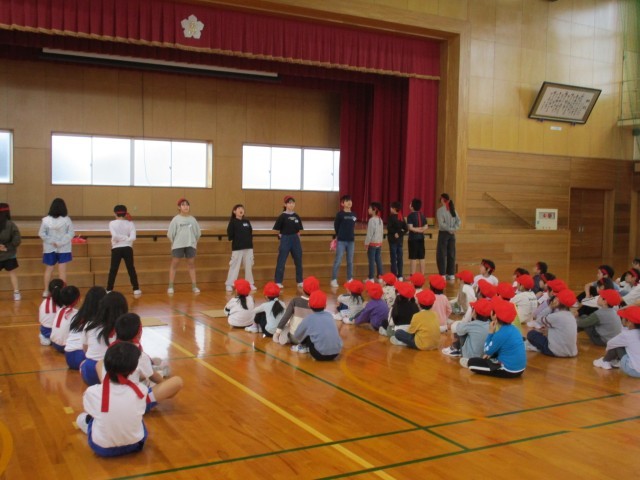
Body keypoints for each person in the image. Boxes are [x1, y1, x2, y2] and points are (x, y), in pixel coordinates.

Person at [76, 342, 150, 457]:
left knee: (83, 418)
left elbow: (91, 412)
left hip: (102, 448)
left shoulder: (93, 392)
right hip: (136, 445)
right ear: (133, 370)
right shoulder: (141, 390)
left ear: (106, 366)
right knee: (136, 419)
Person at [101, 313, 183, 404]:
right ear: (139, 333)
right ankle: (157, 374)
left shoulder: (110, 349)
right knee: (177, 381)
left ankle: (151, 374)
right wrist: (165, 386)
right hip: (135, 401)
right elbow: (155, 378)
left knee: (100, 363)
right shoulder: (139, 355)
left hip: (111, 397)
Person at [464, 299, 526, 378]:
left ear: (495, 315)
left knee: (472, 363)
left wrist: (490, 333)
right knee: (490, 354)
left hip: (508, 371)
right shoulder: (514, 329)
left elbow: (486, 350)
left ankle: (472, 363)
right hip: (520, 369)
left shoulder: (501, 333)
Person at [81, 292, 129, 386]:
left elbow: (85, 349)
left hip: (91, 371)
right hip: (114, 372)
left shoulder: (89, 325)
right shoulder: (124, 328)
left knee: (83, 363)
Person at [526, 289, 578, 357]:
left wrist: (550, 307)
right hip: (572, 352)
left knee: (531, 334)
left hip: (555, 351)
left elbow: (538, 319)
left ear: (557, 301)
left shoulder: (556, 316)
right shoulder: (571, 316)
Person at [292, 290, 343, 360]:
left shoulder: (309, 318)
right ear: (325, 306)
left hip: (318, 355)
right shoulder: (330, 316)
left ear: (309, 305)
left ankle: (302, 347)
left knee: (308, 333)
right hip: (336, 353)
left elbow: (297, 335)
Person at [65, 286, 107, 370]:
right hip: (82, 355)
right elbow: (86, 347)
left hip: (68, 356)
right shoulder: (98, 319)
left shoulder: (78, 314)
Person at [39, 198, 74, 297]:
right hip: (64, 248)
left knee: (49, 269)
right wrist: (60, 242)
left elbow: (41, 233)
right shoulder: (67, 220)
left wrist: (51, 241)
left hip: (49, 247)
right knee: (62, 270)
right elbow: (71, 233)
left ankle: (46, 291)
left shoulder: (46, 220)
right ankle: (62, 291)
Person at [593, 306, 640, 377]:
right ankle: (614, 361)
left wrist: (607, 352)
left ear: (629, 322)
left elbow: (610, 343)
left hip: (633, 370)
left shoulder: (627, 335)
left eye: (623, 318)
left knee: (617, 346)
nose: (621, 319)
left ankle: (604, 361)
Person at [167, 198, 201, 294]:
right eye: (183, 205)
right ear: (179, 207)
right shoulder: (176, 219)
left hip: (190, 244)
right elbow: (170, 234)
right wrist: (176, 243)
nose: (185, 207)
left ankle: (194, 286)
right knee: (174, 264)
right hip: (178, 245)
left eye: (187, 205)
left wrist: (193, 242)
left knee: (191, 264)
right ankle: (170, 286)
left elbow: (197, 233)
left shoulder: (192, 219)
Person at [273, 276, 319, 345]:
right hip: (311, 339)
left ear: (303, 289)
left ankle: (286, 337)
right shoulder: (318, 303)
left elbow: (286, 317)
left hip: (295, 338)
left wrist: (277, 333)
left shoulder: (295, 301)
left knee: (287, 326)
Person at [107, 205, 141, 295]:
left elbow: (115, 236)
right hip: (128, 248)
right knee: (131, 269)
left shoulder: (112, 223)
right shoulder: (130, 223)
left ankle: (109, 289)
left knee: (113, 269)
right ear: (125, 213)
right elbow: (132, 237)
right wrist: (126, 238)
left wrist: (120, 239)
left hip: (116, 248)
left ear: (115, 213)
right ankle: (136, 289)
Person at [273, 195, 304, 288]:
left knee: (298, 260)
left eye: (293, 203)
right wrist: (280, 236)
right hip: (285, 239)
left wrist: (297, 235)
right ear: (285, 204)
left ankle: (300, 281)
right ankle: (278, 281)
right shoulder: (282, 216)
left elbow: (299, 229)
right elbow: (276, 229)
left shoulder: (296, 216)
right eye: (289, 203)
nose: (291, 205)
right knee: (281, 261)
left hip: (295, 239)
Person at [225, 204, 255, 292]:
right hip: (237, 248)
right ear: (234, 211)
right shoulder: (232, 222)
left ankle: (250, 283)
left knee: (248, 266)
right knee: (234, 266)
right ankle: (229, 284)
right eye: (238, 208)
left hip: (248, 247)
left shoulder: (247, 221)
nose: (241, 210)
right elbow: (230, 234)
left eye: (242, 208)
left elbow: (250, 232)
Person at [330, 195, 357, 287]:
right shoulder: (340, 214)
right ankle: (334, 279)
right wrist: (339, 234)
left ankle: (349, 278)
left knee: (350, 261)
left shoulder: (354, 215)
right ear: (342, 203)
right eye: (346, 201)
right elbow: (336, 226)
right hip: (341, 241)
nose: (349, 202)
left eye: (350, 200)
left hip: (351, 241)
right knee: (338, 260)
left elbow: (353, 225)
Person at [436, 193, 461, 281]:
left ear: (442, 200)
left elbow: (441, 224)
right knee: (451, 254)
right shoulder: (453, 209)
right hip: (452, 234)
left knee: (442, 254)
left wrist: (450, 229)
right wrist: (454, 229)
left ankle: (443, 274)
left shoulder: (440, 210)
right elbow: (459, 221)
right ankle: (451, 274)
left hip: (444, 234)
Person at [49, 285, 81, 353]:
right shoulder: (76, 313)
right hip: (65, 345)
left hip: (54, 344)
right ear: (78, 299)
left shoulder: (60, 310)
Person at [0, 203, 22, 300]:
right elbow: (17, 240)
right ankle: (16, 293)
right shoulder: (11, 224)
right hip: (10, 254)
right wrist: (7, 247)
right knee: (12, 273)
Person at [38, 279, 65, 346]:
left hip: (45, 330)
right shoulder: (63, 303)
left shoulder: (44, 302)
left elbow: (41, 319)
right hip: (58, 331)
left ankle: (45, 337)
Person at [406, 198, 428, 275]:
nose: (409, 205)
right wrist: (421, 230)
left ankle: (412, 275)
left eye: (410, 203)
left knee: (413, 257)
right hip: (421, 238)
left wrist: (417, 230)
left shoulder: (410, 216)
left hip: (413, 239)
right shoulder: (422, 215)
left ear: (412, 207)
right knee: (422, 257)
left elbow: (410, 228)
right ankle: (422, 274)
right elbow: (426, 226)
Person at [387, 201, 407, 281]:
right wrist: (399, 233)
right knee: (399, 258)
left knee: (393, 258)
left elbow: (389, 228)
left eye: (391, 207)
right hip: (399, 241)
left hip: (393, 241)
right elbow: (405, 229)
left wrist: (396, 233)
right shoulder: (401, 217)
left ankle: (394, 275)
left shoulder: (391, 217)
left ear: (394, 209)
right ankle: (400, 275)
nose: (390, 209)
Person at [364, 201, 384, 282]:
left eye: (369, 208)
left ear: (374, 209)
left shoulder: (372, 220)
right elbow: (381, 232)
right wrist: (380, 242)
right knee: (378, 260)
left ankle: (371, 278)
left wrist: (366, 243)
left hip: (372, 244)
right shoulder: (380, 219)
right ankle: (380, 277)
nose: (368, 209)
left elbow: (370, 234)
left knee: (371, 261)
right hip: (379, 243)